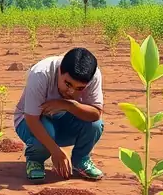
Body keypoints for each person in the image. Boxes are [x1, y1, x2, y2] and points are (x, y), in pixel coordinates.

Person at [13, 47, 105, 182]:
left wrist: (68, 105)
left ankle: (81, 160)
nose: (71, 92)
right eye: (67, 84)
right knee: (46, 132)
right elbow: (31, 119)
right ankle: (35, 159)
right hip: (30, 122)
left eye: (79, 88)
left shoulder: (93, 76)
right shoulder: (41, 73)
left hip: (64, 122)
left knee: (95, 125)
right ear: (60, 70)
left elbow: (96, 113)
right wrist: (55, 152)